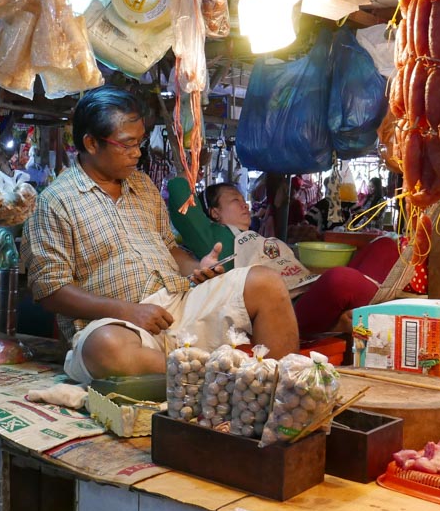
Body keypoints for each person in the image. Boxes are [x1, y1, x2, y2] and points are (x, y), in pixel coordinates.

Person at [22, 86, 299, 383]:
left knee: (266, 282)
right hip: (119, 326)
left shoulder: (142, 185)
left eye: (139, 143)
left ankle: (275, 393)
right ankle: (214, 380)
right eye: (127, 144)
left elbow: (170, 248)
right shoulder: (55, 201)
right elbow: (50, 291)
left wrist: (197, 269)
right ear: (91, 143)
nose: (137, 153)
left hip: (179, 304)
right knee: (106, 347)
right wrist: (129, 311)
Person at [169, 178, 402, 334]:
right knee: (340, 280)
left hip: (309, 291)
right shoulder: (214, 237)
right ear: (215, 212)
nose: (245, 206)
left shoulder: (256, 235)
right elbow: (180, 198)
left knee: (385, 245)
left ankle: (360, 309)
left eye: (244, 200)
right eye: (235, 201)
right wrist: (187, 161)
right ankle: (396, 311)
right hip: (286, 312)